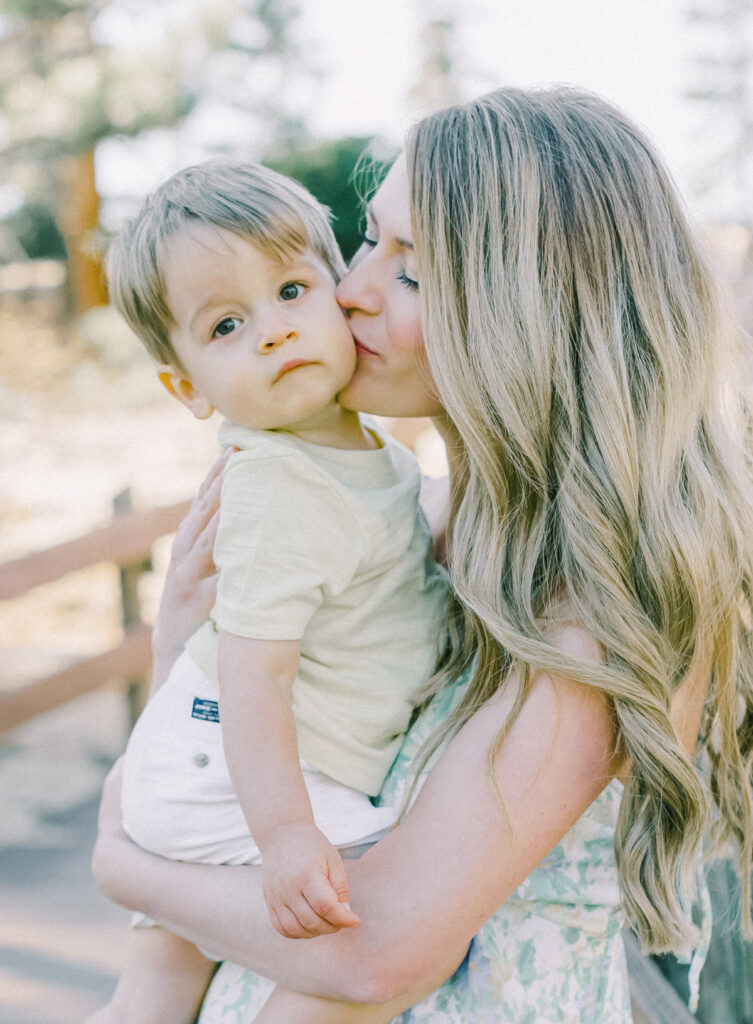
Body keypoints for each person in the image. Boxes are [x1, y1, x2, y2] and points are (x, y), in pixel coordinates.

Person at [91, 87, 753, 1024]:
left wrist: (124, 865)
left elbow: (379, 956)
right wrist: (175, 645)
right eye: (367, 240)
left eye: (407, 271)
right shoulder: (405, 523)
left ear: (521, 308)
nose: (346, 288)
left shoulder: (595, 612)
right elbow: (212, 739)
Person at [90, 159, 446, 1023]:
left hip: (211, 758)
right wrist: (287, 836)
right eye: (225, 326)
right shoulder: (282, 484)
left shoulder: (368, 458)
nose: (275, 333)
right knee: (397, 934)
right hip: (237, 771)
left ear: (338, 289)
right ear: (186, 389)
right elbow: (256, 674)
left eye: (291, 290)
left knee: (156, 993)